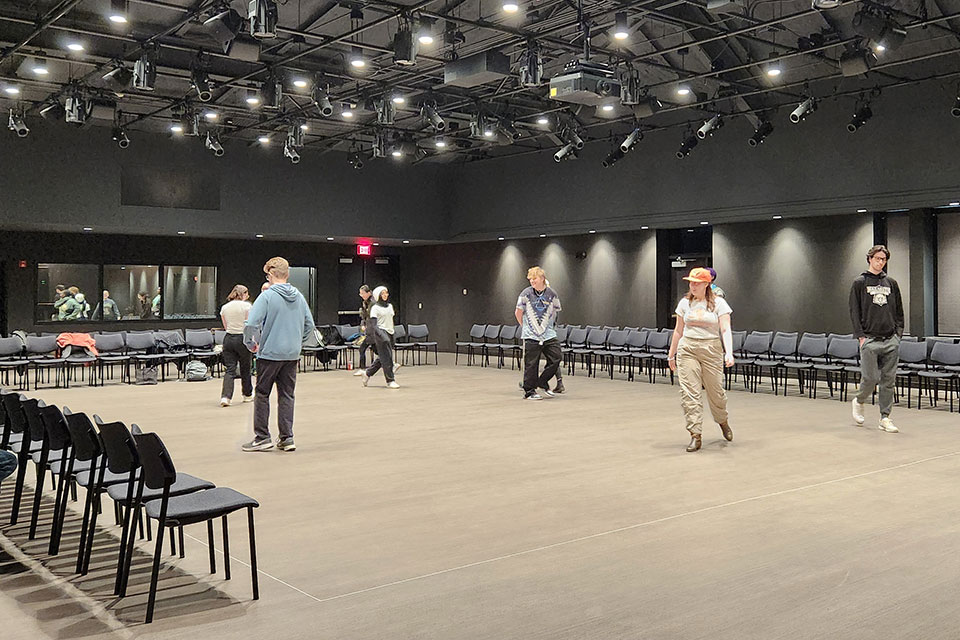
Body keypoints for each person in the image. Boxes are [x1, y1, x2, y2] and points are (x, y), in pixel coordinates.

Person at [242, 257, 315, 452]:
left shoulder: (266, 296)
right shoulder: (299, 296)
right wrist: (297, 343)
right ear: (287, 274)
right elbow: (310, 326)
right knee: (287, 395)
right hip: (292, 355)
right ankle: (287, 438)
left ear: (271, 274)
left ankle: (262, 437)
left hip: (270, 354)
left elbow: (251, 324)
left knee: (262, 394)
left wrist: (251, 344)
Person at [667, 267, 735, 452]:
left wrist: (729, 352)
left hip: (711, 348)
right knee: (690, 394)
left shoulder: (719, 303)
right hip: (688, 348)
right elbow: (678, 330)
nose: (693, 286)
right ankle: (695, 434)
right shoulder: (684, 303)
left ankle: (722, 420)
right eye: (691, 282)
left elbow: (725, 329)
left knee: (716, 392)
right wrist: (671, 354)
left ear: (707, 284)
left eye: (697, 283)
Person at [850, 244, 904, 433]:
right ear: (870, 259)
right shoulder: (859, 283)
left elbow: (899, 311)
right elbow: (854, 311)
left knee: (888, 381)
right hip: (870, 340)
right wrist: (861, 337)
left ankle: (885, 417)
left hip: (890, 340)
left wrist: (898, 334)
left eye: (883, 259)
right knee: (871, 377)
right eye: (877, 258)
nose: (880, 262)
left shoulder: (891, 283)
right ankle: (859, 399)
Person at [516, 266, 562, 400]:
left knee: (556, 357)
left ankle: (543, 381)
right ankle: (529, 391)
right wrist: (525, 326)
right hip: (531, 334)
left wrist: (548, 325)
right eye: (530, 279)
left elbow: (554, 311)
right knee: (531, 364)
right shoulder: (526, 293)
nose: (532, 281)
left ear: (542, 279)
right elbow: (518, 312)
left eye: (534, 278)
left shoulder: (552, 294)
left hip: (548, 333)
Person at [219, 284, 254, 407]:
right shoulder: (247, 306)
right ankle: (247, 395)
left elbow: (226, 326)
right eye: (247, 294)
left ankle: (226, 397)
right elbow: (248, 324)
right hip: (242, 338)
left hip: (228, 339)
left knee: (230, 369)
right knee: (245, 368)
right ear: (243, 294)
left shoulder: (225, 307)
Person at [360, 285, 400, 388]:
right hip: (380, 333)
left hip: (390, 332)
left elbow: (390, 320)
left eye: (386, 293)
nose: (385, 295)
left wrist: (392, 333)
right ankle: (390, 380)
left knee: (382, 356)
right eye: (382, 293)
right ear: (378, 295)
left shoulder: (390, 306)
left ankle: (367, 373)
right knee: (387, 358)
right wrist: (382, 334)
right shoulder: (375, 308)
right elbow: (374, 325)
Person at [355, 284, 376, 376]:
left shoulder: (373, 303)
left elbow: (371, 317)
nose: (362, 295)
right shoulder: (365, 303)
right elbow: (364, 316)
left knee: (362, 348)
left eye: (363, 293)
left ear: (368, 293)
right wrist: (363, 324)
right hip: (369, 331)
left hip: (373, 331)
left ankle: (362, 368)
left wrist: (368, 326)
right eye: (360, 294)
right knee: (378, 351)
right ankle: (392, 364)